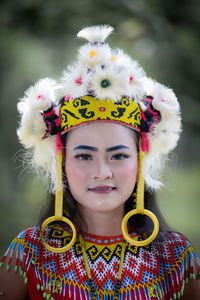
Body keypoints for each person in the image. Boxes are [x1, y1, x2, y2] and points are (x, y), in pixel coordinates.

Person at [0, 25, 199, 300]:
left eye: (118, 156)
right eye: (84, 156)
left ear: (142, 160)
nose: (102, 172)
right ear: (61, 163)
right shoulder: (29, 252)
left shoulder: (177, 257)